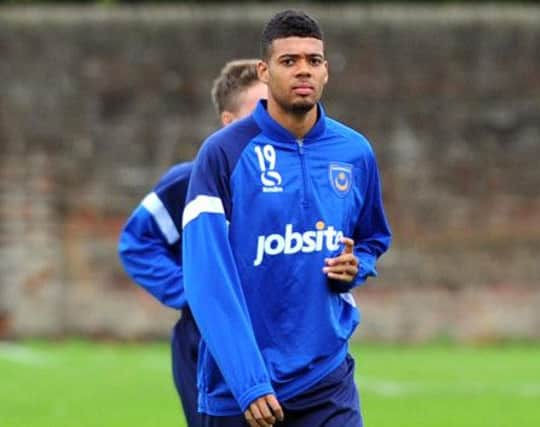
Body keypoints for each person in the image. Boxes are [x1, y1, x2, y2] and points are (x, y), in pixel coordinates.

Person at [182, 10, 391, 427]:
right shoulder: (223, 154)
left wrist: (355, 267)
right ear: (265, 70)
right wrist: (249, 382)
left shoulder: (354, 152)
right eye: (289, 60)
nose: (303, 71)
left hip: (326, 378)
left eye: (313, 61)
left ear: (326, 71)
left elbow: (371, 239)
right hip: (242, 393)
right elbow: (208, 279)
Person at [117, 59, 267, 427]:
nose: (272, 120)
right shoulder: (189, 182)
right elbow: (137, 242)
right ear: (229, 123)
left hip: (281, 345)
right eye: (260, 110)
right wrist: (193, 290)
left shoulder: (300, 179)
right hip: (204, 348)